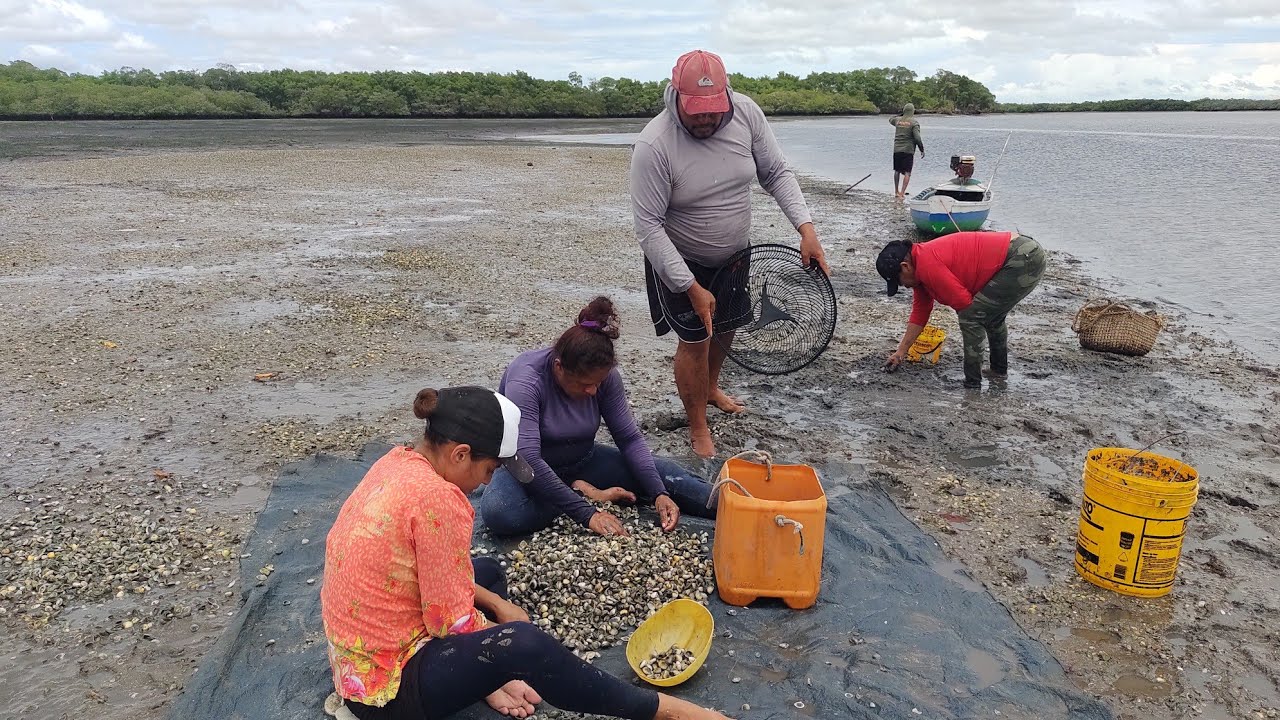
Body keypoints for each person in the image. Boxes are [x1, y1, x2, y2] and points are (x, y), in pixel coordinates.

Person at [322, 386, 733, 720]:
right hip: (384, 690)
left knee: (488, 575)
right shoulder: (438, 499)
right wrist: (503, 643)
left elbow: (444, 585)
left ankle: (484, 681)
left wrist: (498, 604)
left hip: (363, 647)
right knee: (523, 644)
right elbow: (449, 621)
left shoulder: (399, 460)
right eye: (488, 471)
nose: (485, 485)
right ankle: (665, 712)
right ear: (460, 453)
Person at [630, 48, 830, 458]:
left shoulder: (747, 114)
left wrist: (806, 229)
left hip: (735, 253)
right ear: (676, 97)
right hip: (679, 255)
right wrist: (689, 285)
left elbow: (775, 172)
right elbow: (647, 226)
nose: (705, 119)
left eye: (713, 110)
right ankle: (697, 424)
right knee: (696, 340)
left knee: (728, 327)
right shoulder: (654, 144)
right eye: (696, 112)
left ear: (726, 95)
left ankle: (711, 387)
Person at [480, 297, 715, 538]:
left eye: (598, 383)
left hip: (583, 460)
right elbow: (528, 457)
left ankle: (744, 508)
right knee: (502, 513)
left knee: (673, 479)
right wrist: (588, 513)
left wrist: (658, 493)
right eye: (584, 385)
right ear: (559, 367)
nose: (593, 391)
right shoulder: (527, 380)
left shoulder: (605, 376)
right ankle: (581, 492)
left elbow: (629, 438)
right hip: (523, 469)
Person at [877, 231, 1046, 388]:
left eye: (899, 282)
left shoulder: (928, 264)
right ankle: (998, 372)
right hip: (1023, 253)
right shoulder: (919, 266)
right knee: (992, 317)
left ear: (905, 266)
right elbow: (920, 314)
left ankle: (973, 383)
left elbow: (964, 303)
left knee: (971, 316)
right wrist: (900, 353)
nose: (904, 286)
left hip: (1022, 258)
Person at [890, 103, 925, 199]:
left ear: (904, 111)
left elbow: (890, 119)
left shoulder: (897, 121)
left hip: (897, 149)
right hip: (908, 150)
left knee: (897, 170)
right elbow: (917, 138)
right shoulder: (914, 123)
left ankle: (896, 191)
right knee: (907, 172)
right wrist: (921, 149)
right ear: (913, 111)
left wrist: (901, 116)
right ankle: (902, 193)